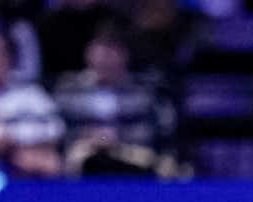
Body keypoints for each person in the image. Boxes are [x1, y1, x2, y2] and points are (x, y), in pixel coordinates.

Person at [52, 23, 178, 176]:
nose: (104, 58)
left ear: (125, 55)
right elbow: (59, 131)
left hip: (131, 157)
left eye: (111, 51)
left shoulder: (143, 95)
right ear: (88, 52)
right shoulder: (68, 90)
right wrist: (90, 139)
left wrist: (113, 140)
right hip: (81, 155)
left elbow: (149, 135)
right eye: (99, 49)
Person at [0, 33, 62, 175]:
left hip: (23, 165)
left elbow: (55, 128)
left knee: (48, 160)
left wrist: (14, 140)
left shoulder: (31, 94)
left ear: (11, 60)